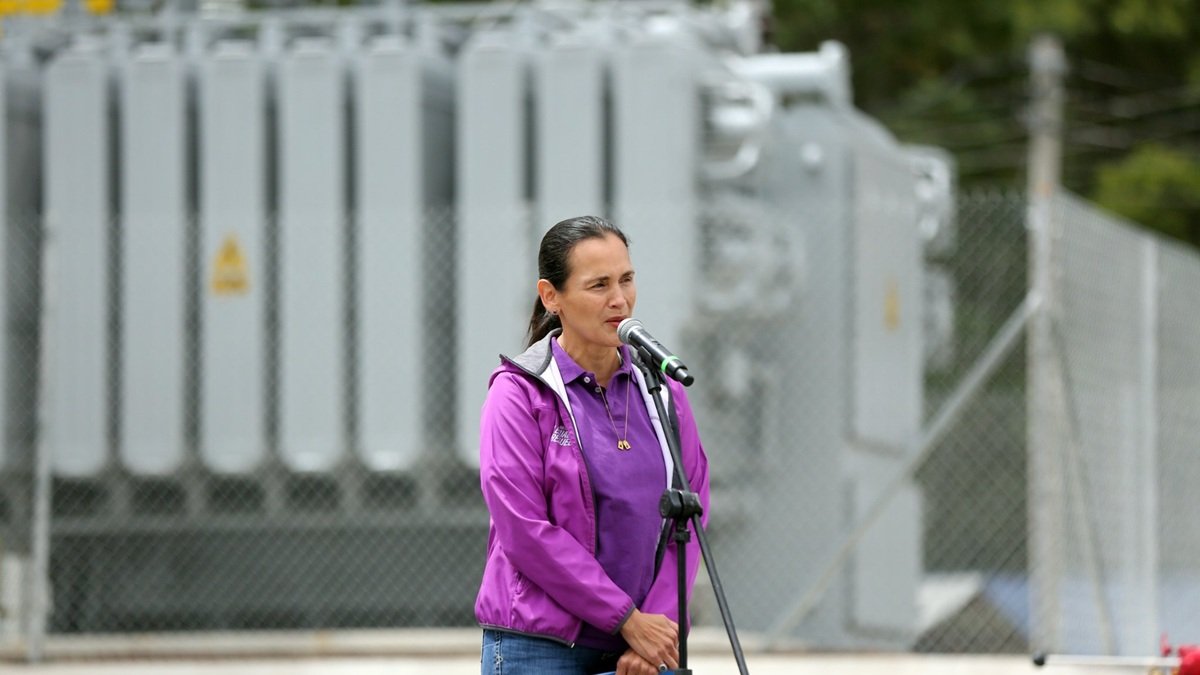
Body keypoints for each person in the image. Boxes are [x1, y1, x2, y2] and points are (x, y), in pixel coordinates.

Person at [474, 215, 711, 675]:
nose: (619, 300)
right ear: (551, 297)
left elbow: (692, 508)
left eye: (626, 279)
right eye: (598, 285)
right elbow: (525, 530)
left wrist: (655, 630)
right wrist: (626, 619)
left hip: (642, 649)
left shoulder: (663, 391)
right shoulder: (519, 393)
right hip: (540, 646)